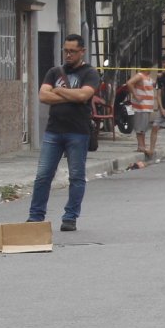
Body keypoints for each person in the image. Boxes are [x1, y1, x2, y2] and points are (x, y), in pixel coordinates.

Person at [26, 34, 99, 232]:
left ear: (82, 51)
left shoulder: (90, 73)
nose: (68, 54)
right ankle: (35, 216)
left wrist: (58, 92)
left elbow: (84, 94)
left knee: (76, 176)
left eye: (72, 51)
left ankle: (70, 217)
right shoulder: (54, 71)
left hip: (78, 132)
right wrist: (71, 96)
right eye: (66, 51)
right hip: (53, 131)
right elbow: (43, 95)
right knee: (43, 175)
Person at [126, 62, 155, 158]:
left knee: (144, 127)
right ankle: (140, 145)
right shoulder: (140, 76)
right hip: (141, 107)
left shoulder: (149, 78)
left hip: (147, 106)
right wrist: (135, 95)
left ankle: (143, 145)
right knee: (140, 127)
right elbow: (129, 83)